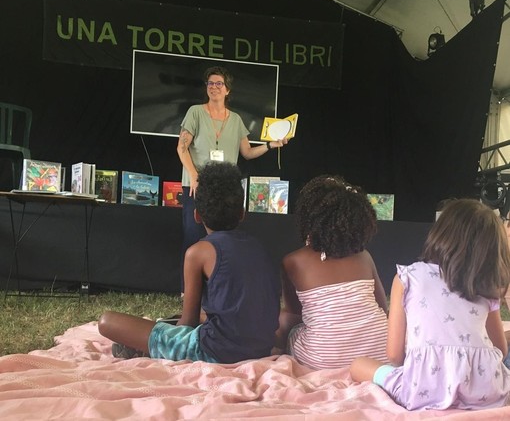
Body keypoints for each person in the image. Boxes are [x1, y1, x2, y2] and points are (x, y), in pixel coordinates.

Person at [98, 161, 281, 363]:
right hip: (261, 347)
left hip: (215, 351)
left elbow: (188, 322)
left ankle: (144, 347)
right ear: (242, 213)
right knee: (178, 320)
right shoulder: (259, 247)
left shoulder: (198, 253)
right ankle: (143, 344)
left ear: (196, 215)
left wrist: (166, 336)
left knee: (107, 321)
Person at [350, 198, 510, 411]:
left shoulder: (409, 277)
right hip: (488, 389)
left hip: (421, 390)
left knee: (358, 365)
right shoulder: (487, 285)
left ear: (441, 234)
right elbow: (500, 348)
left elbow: (394, 356)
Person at [176, 66, 288, 292]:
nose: (214, 87)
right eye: (210, 83)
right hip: (197, 186)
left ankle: (218, 287)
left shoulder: (236, 120)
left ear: (228, 90)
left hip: (225, 188)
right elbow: (181, 147)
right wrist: (194, 175)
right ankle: (189, 291)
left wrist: (270, 145)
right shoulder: (195, 112)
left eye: (219, 84)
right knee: (193, 236)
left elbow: (247, 153)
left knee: (223, 240)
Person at [273, 175, 389, 369]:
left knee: (285, 319)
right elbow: (383, 308)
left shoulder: (292, 261)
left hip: (321, 360)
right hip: (379, 355)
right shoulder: (364, 256)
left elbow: (295, 313)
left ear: (308, 220)